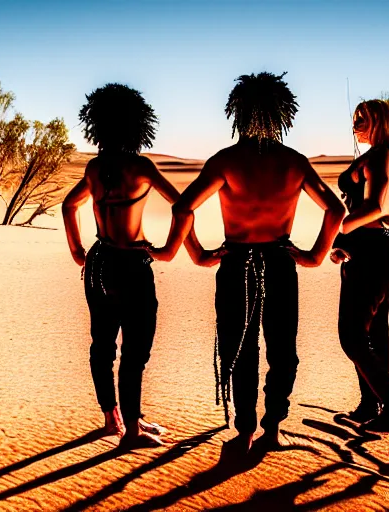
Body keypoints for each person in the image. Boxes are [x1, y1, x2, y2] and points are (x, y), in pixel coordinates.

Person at [150, 72, 346, 454]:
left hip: (235, 261)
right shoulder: (294, 163)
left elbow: (183, 207)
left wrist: (198, 253)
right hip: (279, 260)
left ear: (237, 112)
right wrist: (314, 256)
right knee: (281, 350)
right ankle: (272, 426)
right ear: (280, 114)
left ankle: (245, 430)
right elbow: (335, 209)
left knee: (240, 348)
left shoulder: (225, 161)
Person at [62, 83, 178, 447]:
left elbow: (68, 206)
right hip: (131, 262)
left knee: (102, 343)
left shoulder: (96, 168)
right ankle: (132, 431)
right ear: (136, 125)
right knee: (135, 348)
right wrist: (169, 249)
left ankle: (117, 418)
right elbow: (183, 204)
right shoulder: (140, 167)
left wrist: (79, 252)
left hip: (99, 261)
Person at [330, 99, 389, 432]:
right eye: (354, 119)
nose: (355, 126)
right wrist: (349, 243)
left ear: (379, 121)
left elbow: (378, 207)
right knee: (374, 332)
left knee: (352, 336)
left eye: (361, 120)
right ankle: (371, 406)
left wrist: (342, 229)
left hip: (370, 253)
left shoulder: (381, 156)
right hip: (379, 249)